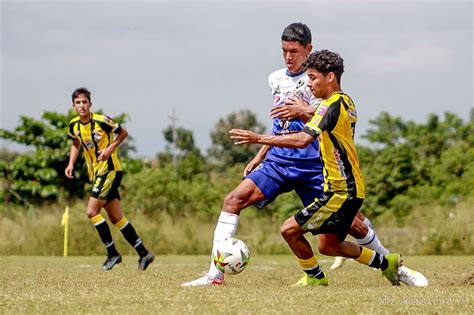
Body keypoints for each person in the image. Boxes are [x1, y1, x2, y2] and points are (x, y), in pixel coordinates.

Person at [182, 23, 388, 287]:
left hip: (313, 164)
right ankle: (215, 275)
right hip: (278, 160)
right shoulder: (275, 78)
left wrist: (303, 111)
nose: (288, 56)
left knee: (352, 225)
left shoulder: (320, 80)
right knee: (233, 200)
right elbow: (278, 123)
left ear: (308, 50)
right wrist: (261, 153)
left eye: (294, 51)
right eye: (284, 51)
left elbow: (328, 121)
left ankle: (391, 264)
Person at [230, 49, 427, 287]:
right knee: (328, 246)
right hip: (345, 188)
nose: (310, 84)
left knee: (289, 230)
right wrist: (303, 112)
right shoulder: (345, 102)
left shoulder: (329, 106)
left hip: (341, 191)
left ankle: (315, 277)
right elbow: (322, 127)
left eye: (313, 78)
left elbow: (302, 139)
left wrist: (258, 139)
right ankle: (389, 263)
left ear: (330, 77)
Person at [65, 87, 154, 271]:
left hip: (110, 170)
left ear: (90, 104)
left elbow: (123, 133)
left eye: (84, 102)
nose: (82, 106)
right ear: (73, 106)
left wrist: (110, 149)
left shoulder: (101, 120)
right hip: (96, 173)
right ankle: (144, 253)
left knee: (91, 212)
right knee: (115, 217)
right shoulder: (74, 125)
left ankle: (112, 253)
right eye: (78, 103)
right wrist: (71, 164)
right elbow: (75, 142)